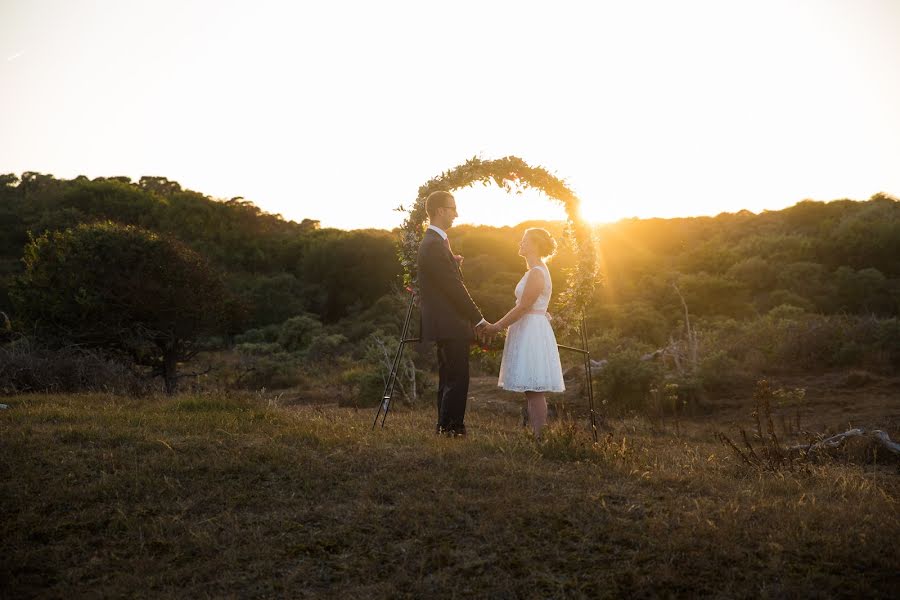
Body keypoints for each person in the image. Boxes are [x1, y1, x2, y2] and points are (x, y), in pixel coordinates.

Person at [482, 228, 564, 438]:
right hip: (528, 327)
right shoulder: (534, 270)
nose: (521, 243)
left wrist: (497, 326)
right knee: (531, 389)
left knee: (535, 388)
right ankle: (536, 434)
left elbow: (523, 306)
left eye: (525, 240)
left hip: (532, 331)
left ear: (536, 244)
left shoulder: (537, 272)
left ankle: (539, 437)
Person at [417, 190, 487, 437]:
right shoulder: (434, 245)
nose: (456, 213)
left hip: (444, 323)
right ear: (439, 211)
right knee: (457, 378)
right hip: (449, 323)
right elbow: (454, 289)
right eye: (452, 208)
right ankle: (452, 428)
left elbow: (444, 280)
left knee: (448, 377)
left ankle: (444, 426)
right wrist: (478, 318)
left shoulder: (435, 244)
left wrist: (453, 263)